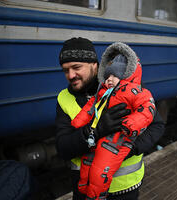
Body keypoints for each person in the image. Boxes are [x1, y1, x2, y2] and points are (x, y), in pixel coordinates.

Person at [55, 37, 165, 200]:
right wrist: (94, 132)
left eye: (76, 67)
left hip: (124, 190)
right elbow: (63, 148)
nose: (71, 75)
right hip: (84, 191)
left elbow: (157, 126)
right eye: (66, 70)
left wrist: (128, 148)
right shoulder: (64, 98)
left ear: (95, 65)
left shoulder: (126, 87)